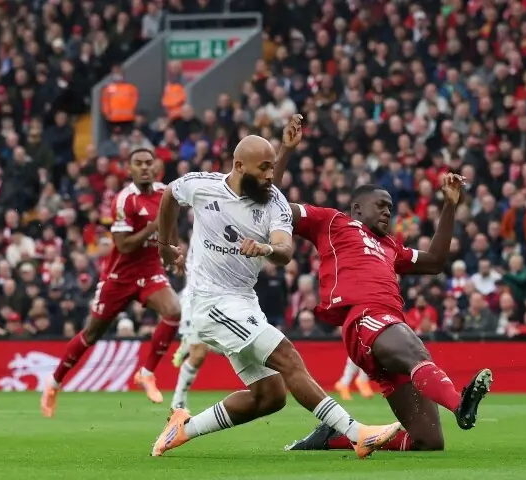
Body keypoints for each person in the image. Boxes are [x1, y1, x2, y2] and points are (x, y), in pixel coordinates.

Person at [150, 135, 402, 459]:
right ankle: (357, 434)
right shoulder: (203, 186)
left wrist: (267, 247)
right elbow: (170, 194)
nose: (271, 175)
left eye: (273, 167)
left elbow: (285, 250)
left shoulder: (275, 202)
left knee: (269, 396)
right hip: (210, 302)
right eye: (264, 168)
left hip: (242, 300)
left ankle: (184, 428)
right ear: (239, 166)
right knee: (287, 356)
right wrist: (166, 245)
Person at [275, 116, 492, 453]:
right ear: (357, 207)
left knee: (428, 441)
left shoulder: (392, 247)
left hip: (388, 332)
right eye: (381, 205)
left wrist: (450, 205)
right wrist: (285, 151)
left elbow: (435, 261)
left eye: (390, 207)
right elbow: (272, 207)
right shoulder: (332, 222)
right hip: (366, 319)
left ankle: (333, 438)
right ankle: (460, 402)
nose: (388, 212)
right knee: (417, 351)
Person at [41, 149, 182, 417]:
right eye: (138, 164)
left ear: (156, 167)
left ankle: (147, 373)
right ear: (129, 169)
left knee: (174, 311)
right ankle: (54, 382)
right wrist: (152, 229)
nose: (144, 168)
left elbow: (171, 223)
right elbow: (123, 245)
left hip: (150, 270)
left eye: (148, 163)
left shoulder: (166, 193)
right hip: (119, 277)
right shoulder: (123, 200)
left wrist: (173, 252)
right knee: (91, 334)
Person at [170, 243, 219, 410]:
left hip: (218, 301)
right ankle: (178, 400)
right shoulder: (205, 235)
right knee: (199, 353)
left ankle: (186, 343)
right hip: (194, 301)